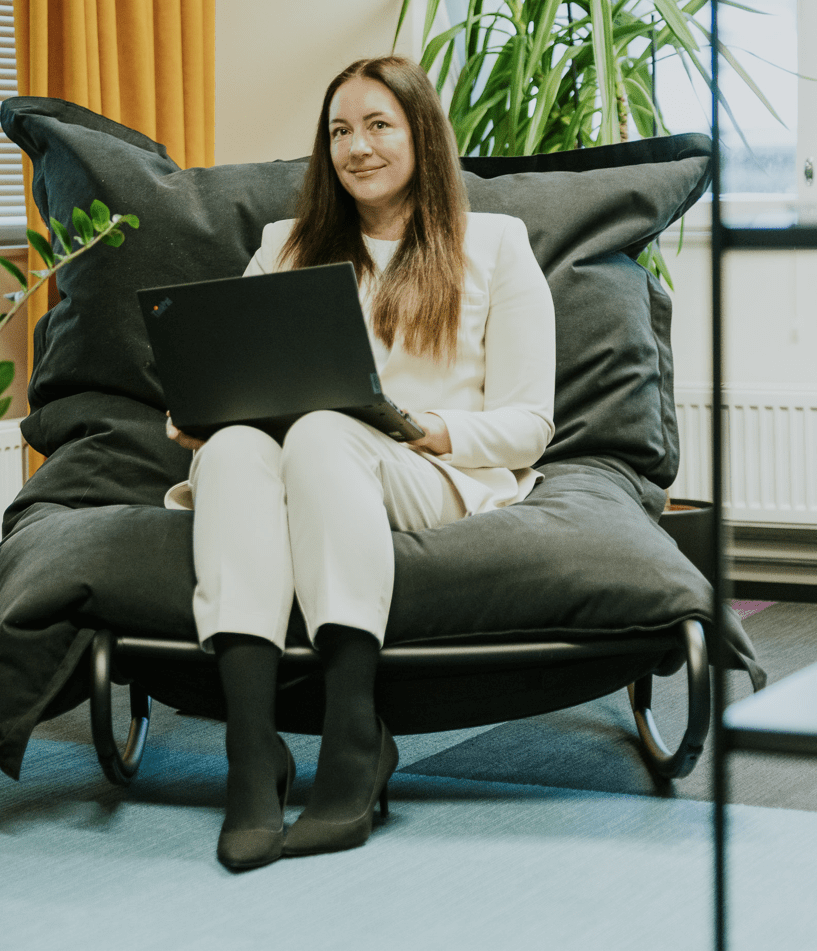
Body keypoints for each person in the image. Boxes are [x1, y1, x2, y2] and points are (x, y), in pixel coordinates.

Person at [165, 56, 556, 870]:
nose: (358, 147)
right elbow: (226, 371)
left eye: (379, 125)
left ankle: (350, 736)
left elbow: (529, 425)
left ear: (421, 134)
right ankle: (252, 753)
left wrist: (421, 428)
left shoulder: (495, 244)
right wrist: (202, 413)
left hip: (426, 472)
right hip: (291, 466)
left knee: (322, 431)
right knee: (238, 445)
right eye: (340, 130)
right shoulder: (287, 245)